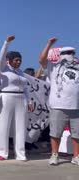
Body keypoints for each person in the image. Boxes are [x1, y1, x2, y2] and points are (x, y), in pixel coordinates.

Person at [0, 35, 34, 161]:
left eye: (20, 60)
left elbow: (26, 89)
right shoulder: (3, 69)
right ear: (8, 61)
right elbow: (3, 55)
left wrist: (30, 101)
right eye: (16, 60)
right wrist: (6, 43)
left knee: (21, 126)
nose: (18, 62)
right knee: (3, 125)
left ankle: (20, 153)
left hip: (21, 99)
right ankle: (0, 152)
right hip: (6, 97)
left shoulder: (21, 73)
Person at [39, 37, 79, 166]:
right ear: (60, 55)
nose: (70, 56)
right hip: (58, 105)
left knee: (77, 134)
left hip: (76, 106)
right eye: (67, 54)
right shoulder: (53, 67)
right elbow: (41, 60)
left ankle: (76, 156)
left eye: (72, 53)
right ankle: (54, 155)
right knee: (55, 132)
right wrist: (49, 44)